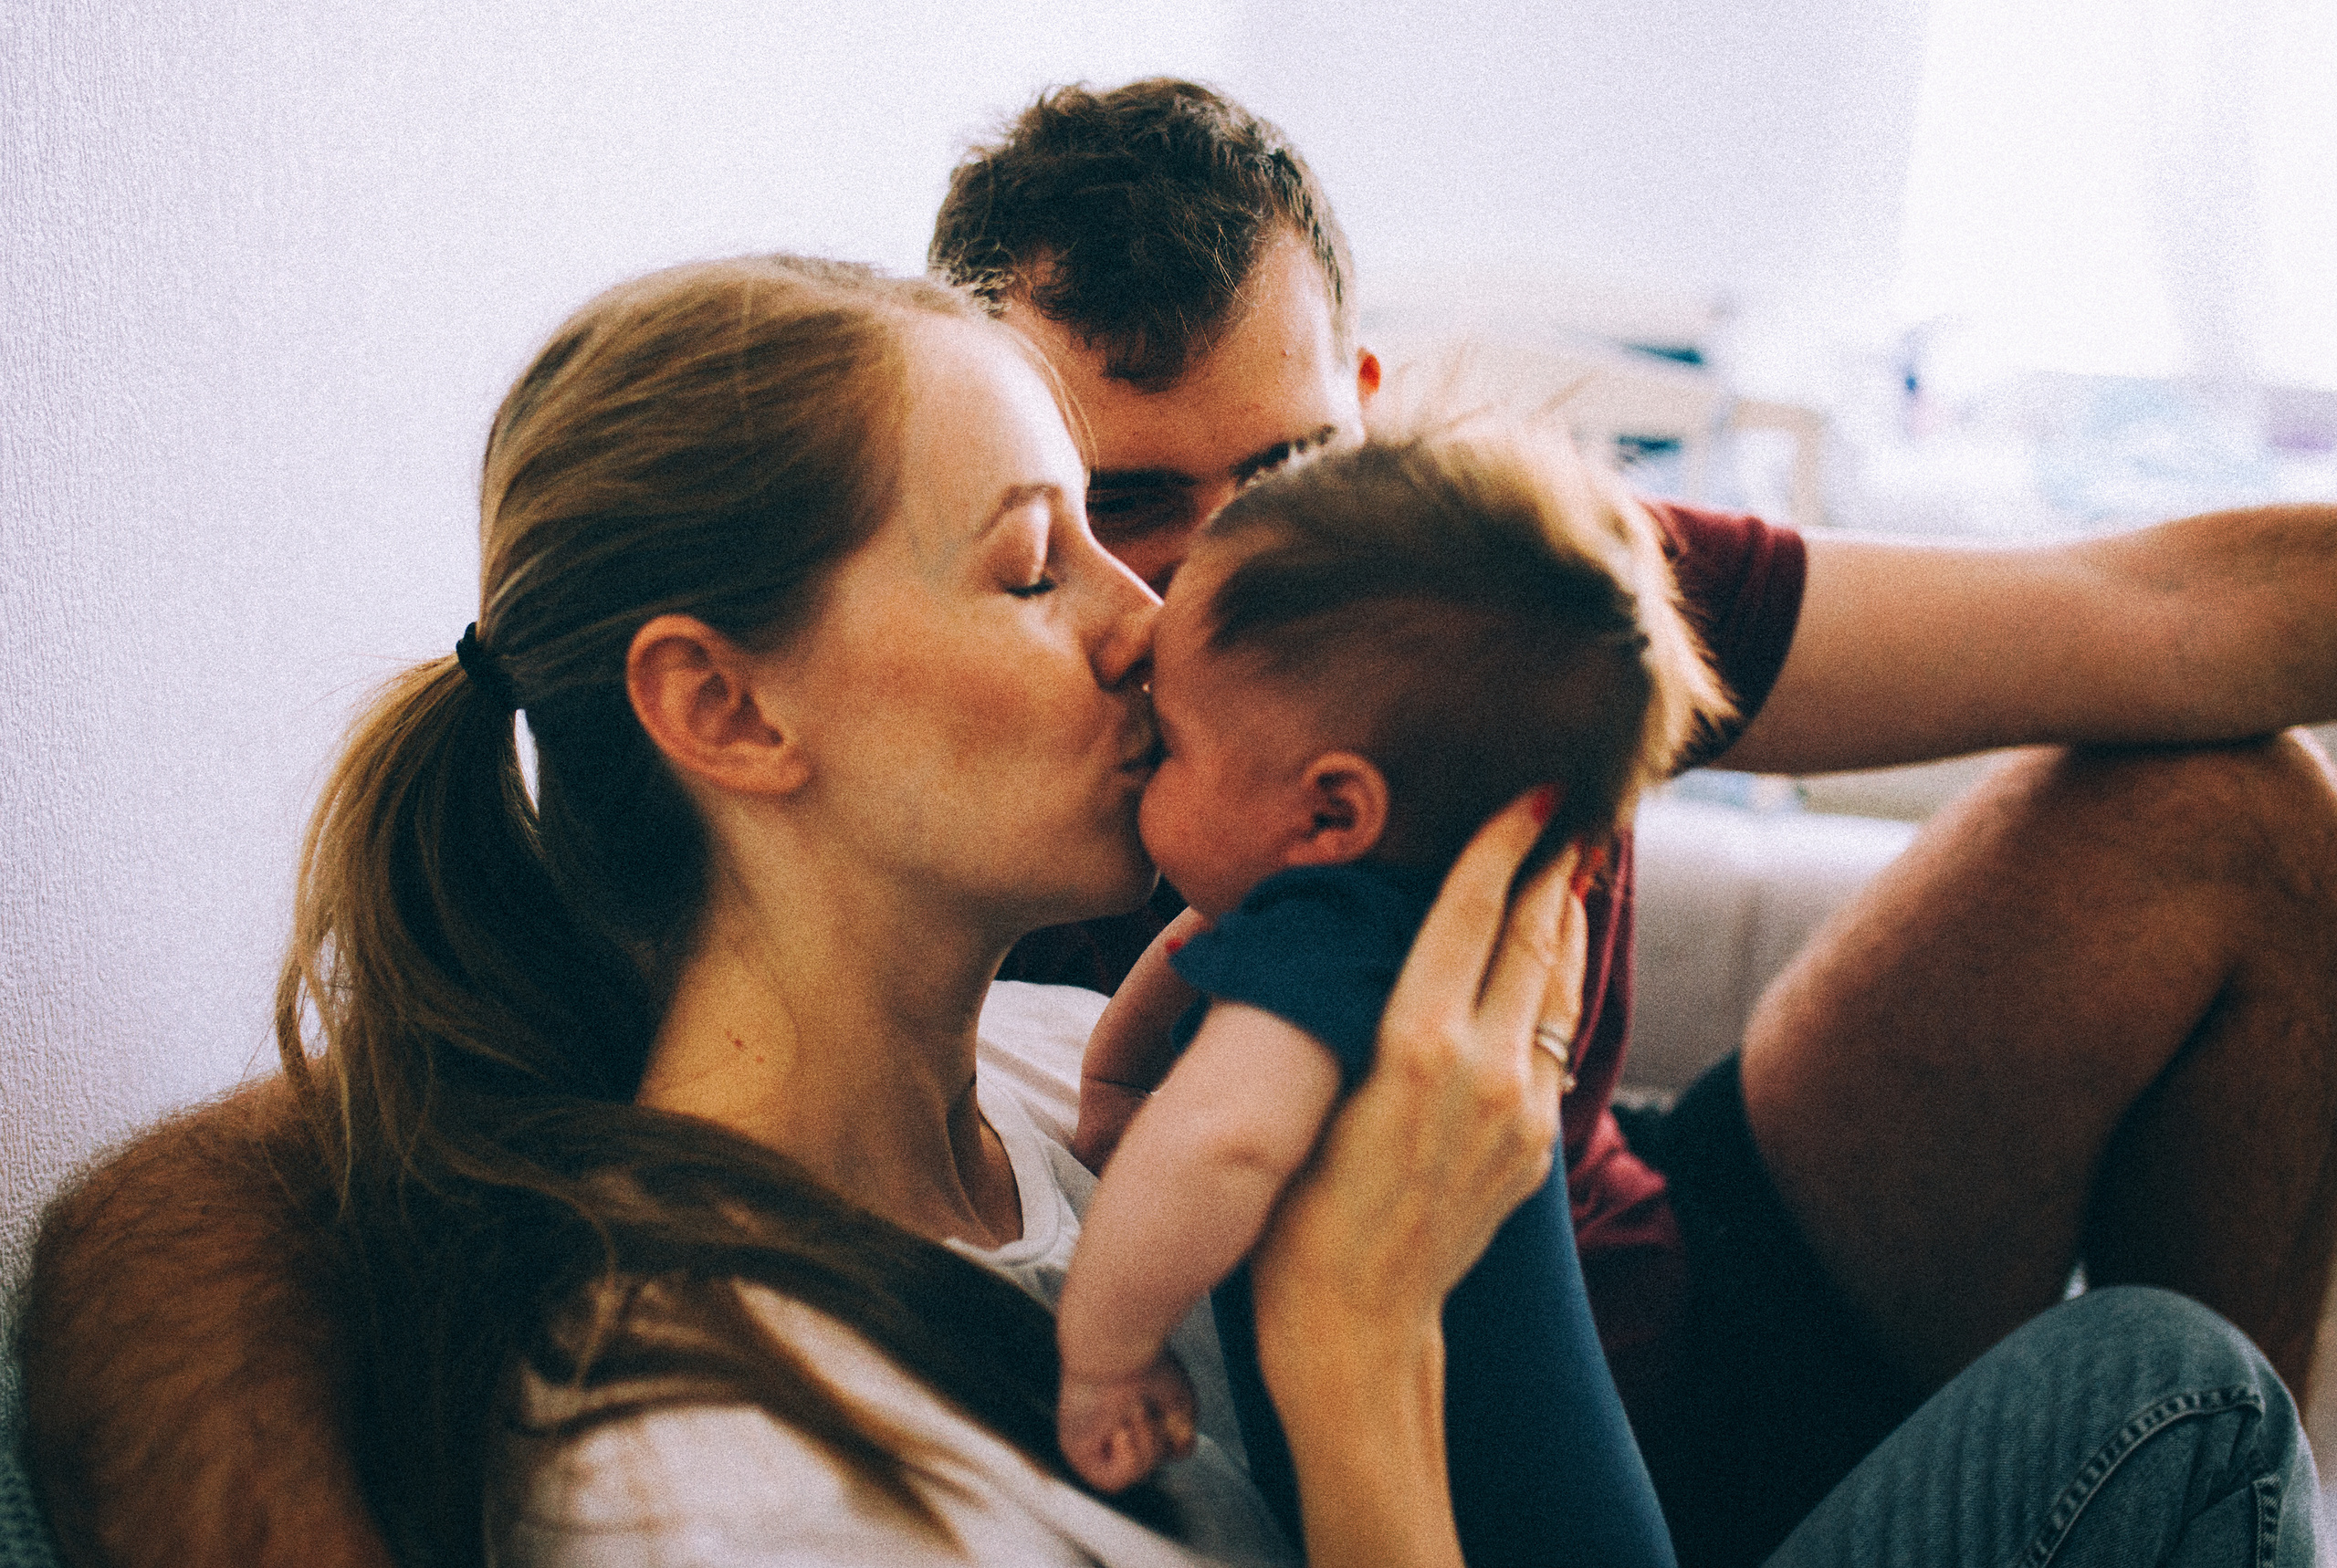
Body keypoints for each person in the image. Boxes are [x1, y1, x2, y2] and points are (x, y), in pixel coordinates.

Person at [20, 77, 2337, 1568]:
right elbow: (333, 1155)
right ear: (726, 707)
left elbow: (2155, 611)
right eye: (1066, 540)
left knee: (2221, 864)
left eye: (1284, 489)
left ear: (1366, 395)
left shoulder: (1468, 605)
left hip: (1662, 1296)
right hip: (1453, 1439)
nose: (1183, 614)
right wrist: (1347, 1349)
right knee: (2166, 1412)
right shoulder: (932, 972)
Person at [1054, 424, 1724, 1568]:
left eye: (1168, 740)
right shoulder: (1379, 916)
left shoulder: (1333, 944)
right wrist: (1117, 1074)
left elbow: (1216, 1140)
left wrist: (1104, 1355)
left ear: (1329, 815)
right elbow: (1198, 936)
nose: (1138, 749)